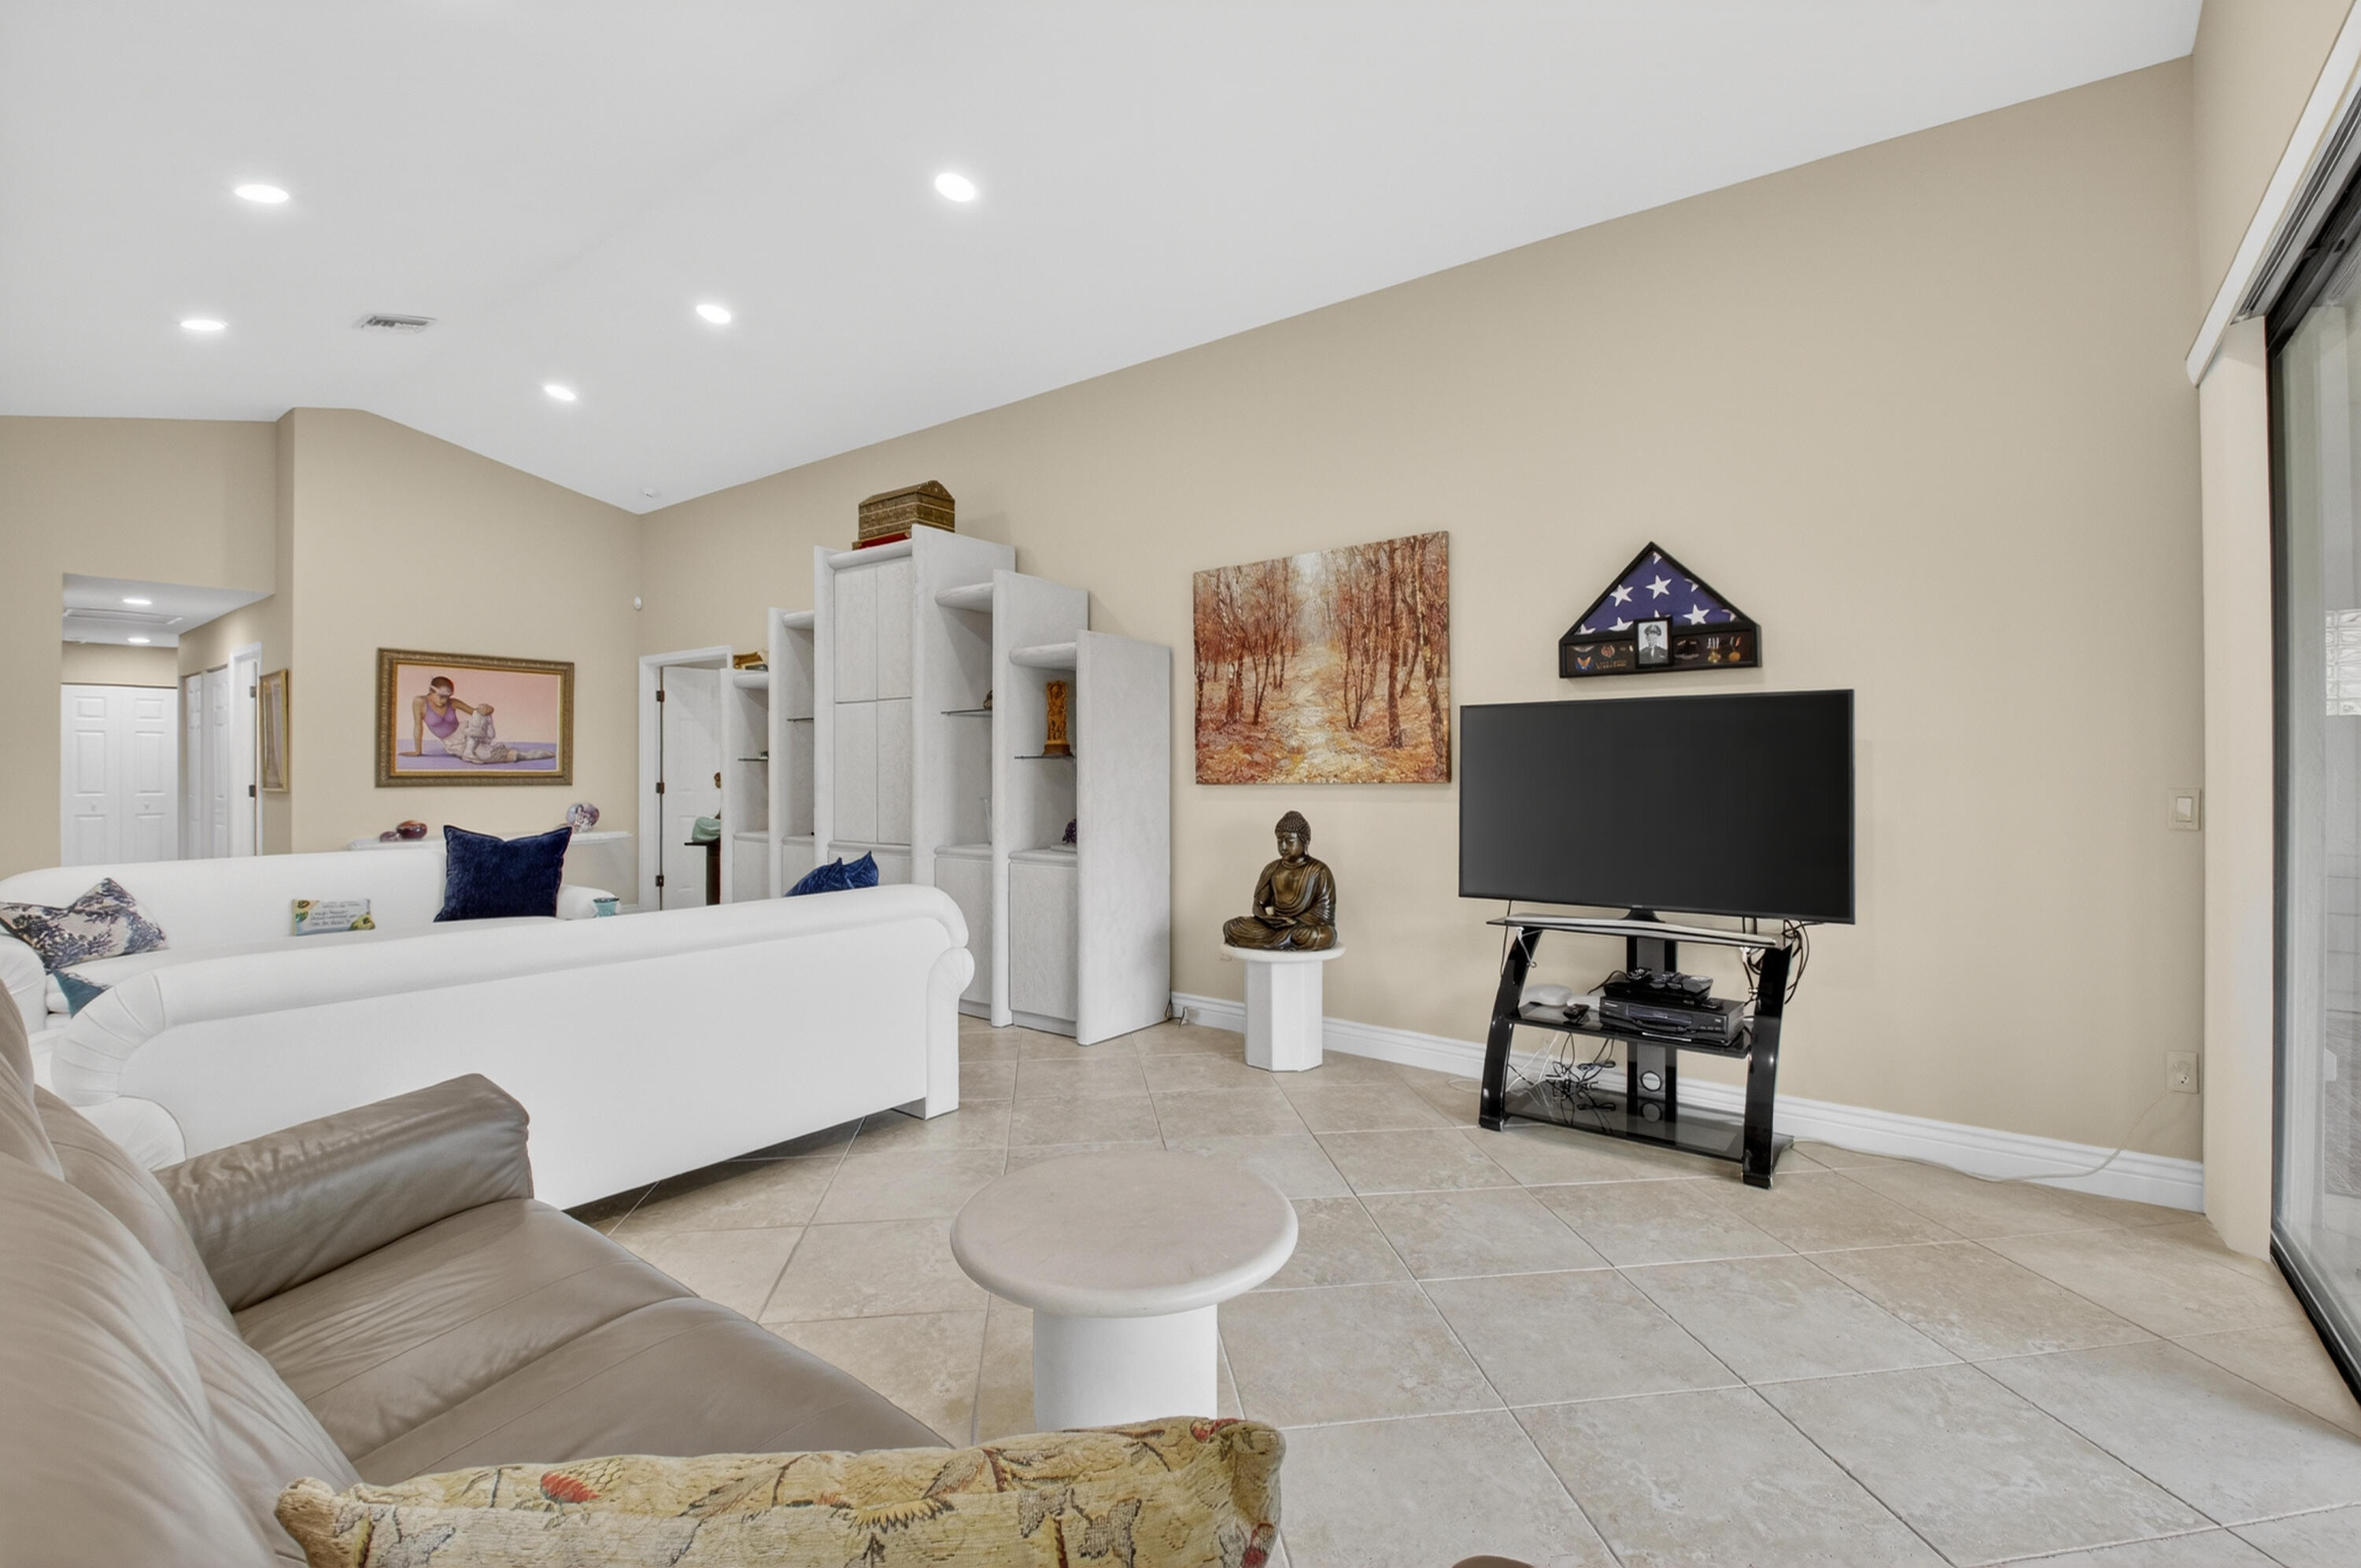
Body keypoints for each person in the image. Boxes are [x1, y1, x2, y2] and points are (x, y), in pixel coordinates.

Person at [1221, 810, 1338, 950]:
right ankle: (1281, 941)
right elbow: (1258, 904)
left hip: (1301, 928)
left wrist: (1294, 922)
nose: (1283, 846)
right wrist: (1267, 918)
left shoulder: (1319, 871)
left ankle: (1281, 940)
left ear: (1305, 841)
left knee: (1326, 935)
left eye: (1289, 841)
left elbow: (1325, 916)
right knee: (1232, 926)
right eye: (1279, 841)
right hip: (1273, 927)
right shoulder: (1272, 869)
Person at [442, 704, 552, 766]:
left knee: (523, 755)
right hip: (475, 745)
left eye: (485, 711)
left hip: (484, 748)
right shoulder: (474, 722)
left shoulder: (484, 720)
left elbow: (490, 735)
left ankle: (540, 755)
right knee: (524, 755)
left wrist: (481, 734)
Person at [408, 676, 476, 758]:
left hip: (466, 731)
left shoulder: (453, 702)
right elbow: (418, 726)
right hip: (453, 743)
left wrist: (485, 709)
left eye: (447, 697)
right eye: (441, 697)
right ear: (431, 691)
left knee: (483, 750)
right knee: (478, 755)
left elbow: (476, 712)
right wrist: (418, 751)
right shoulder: (420, 702)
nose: (444, 701)